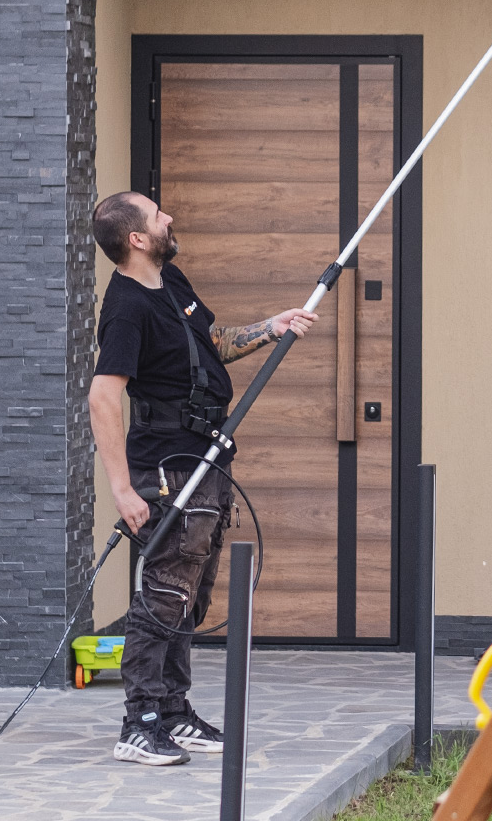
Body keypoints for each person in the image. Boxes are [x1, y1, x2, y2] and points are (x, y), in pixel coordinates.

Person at [88, 191, 317, 766]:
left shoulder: (170, 281)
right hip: (166, 467)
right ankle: (139, 722)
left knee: (190, 595)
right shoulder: (126, 308)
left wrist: (271, 327)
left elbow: (209, 344)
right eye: (157, 215)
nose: (168, 218)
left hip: (207, 458)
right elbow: (103, 396)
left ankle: (172, 711)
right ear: (137, 239)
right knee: (164, 594)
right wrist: (122, 488)